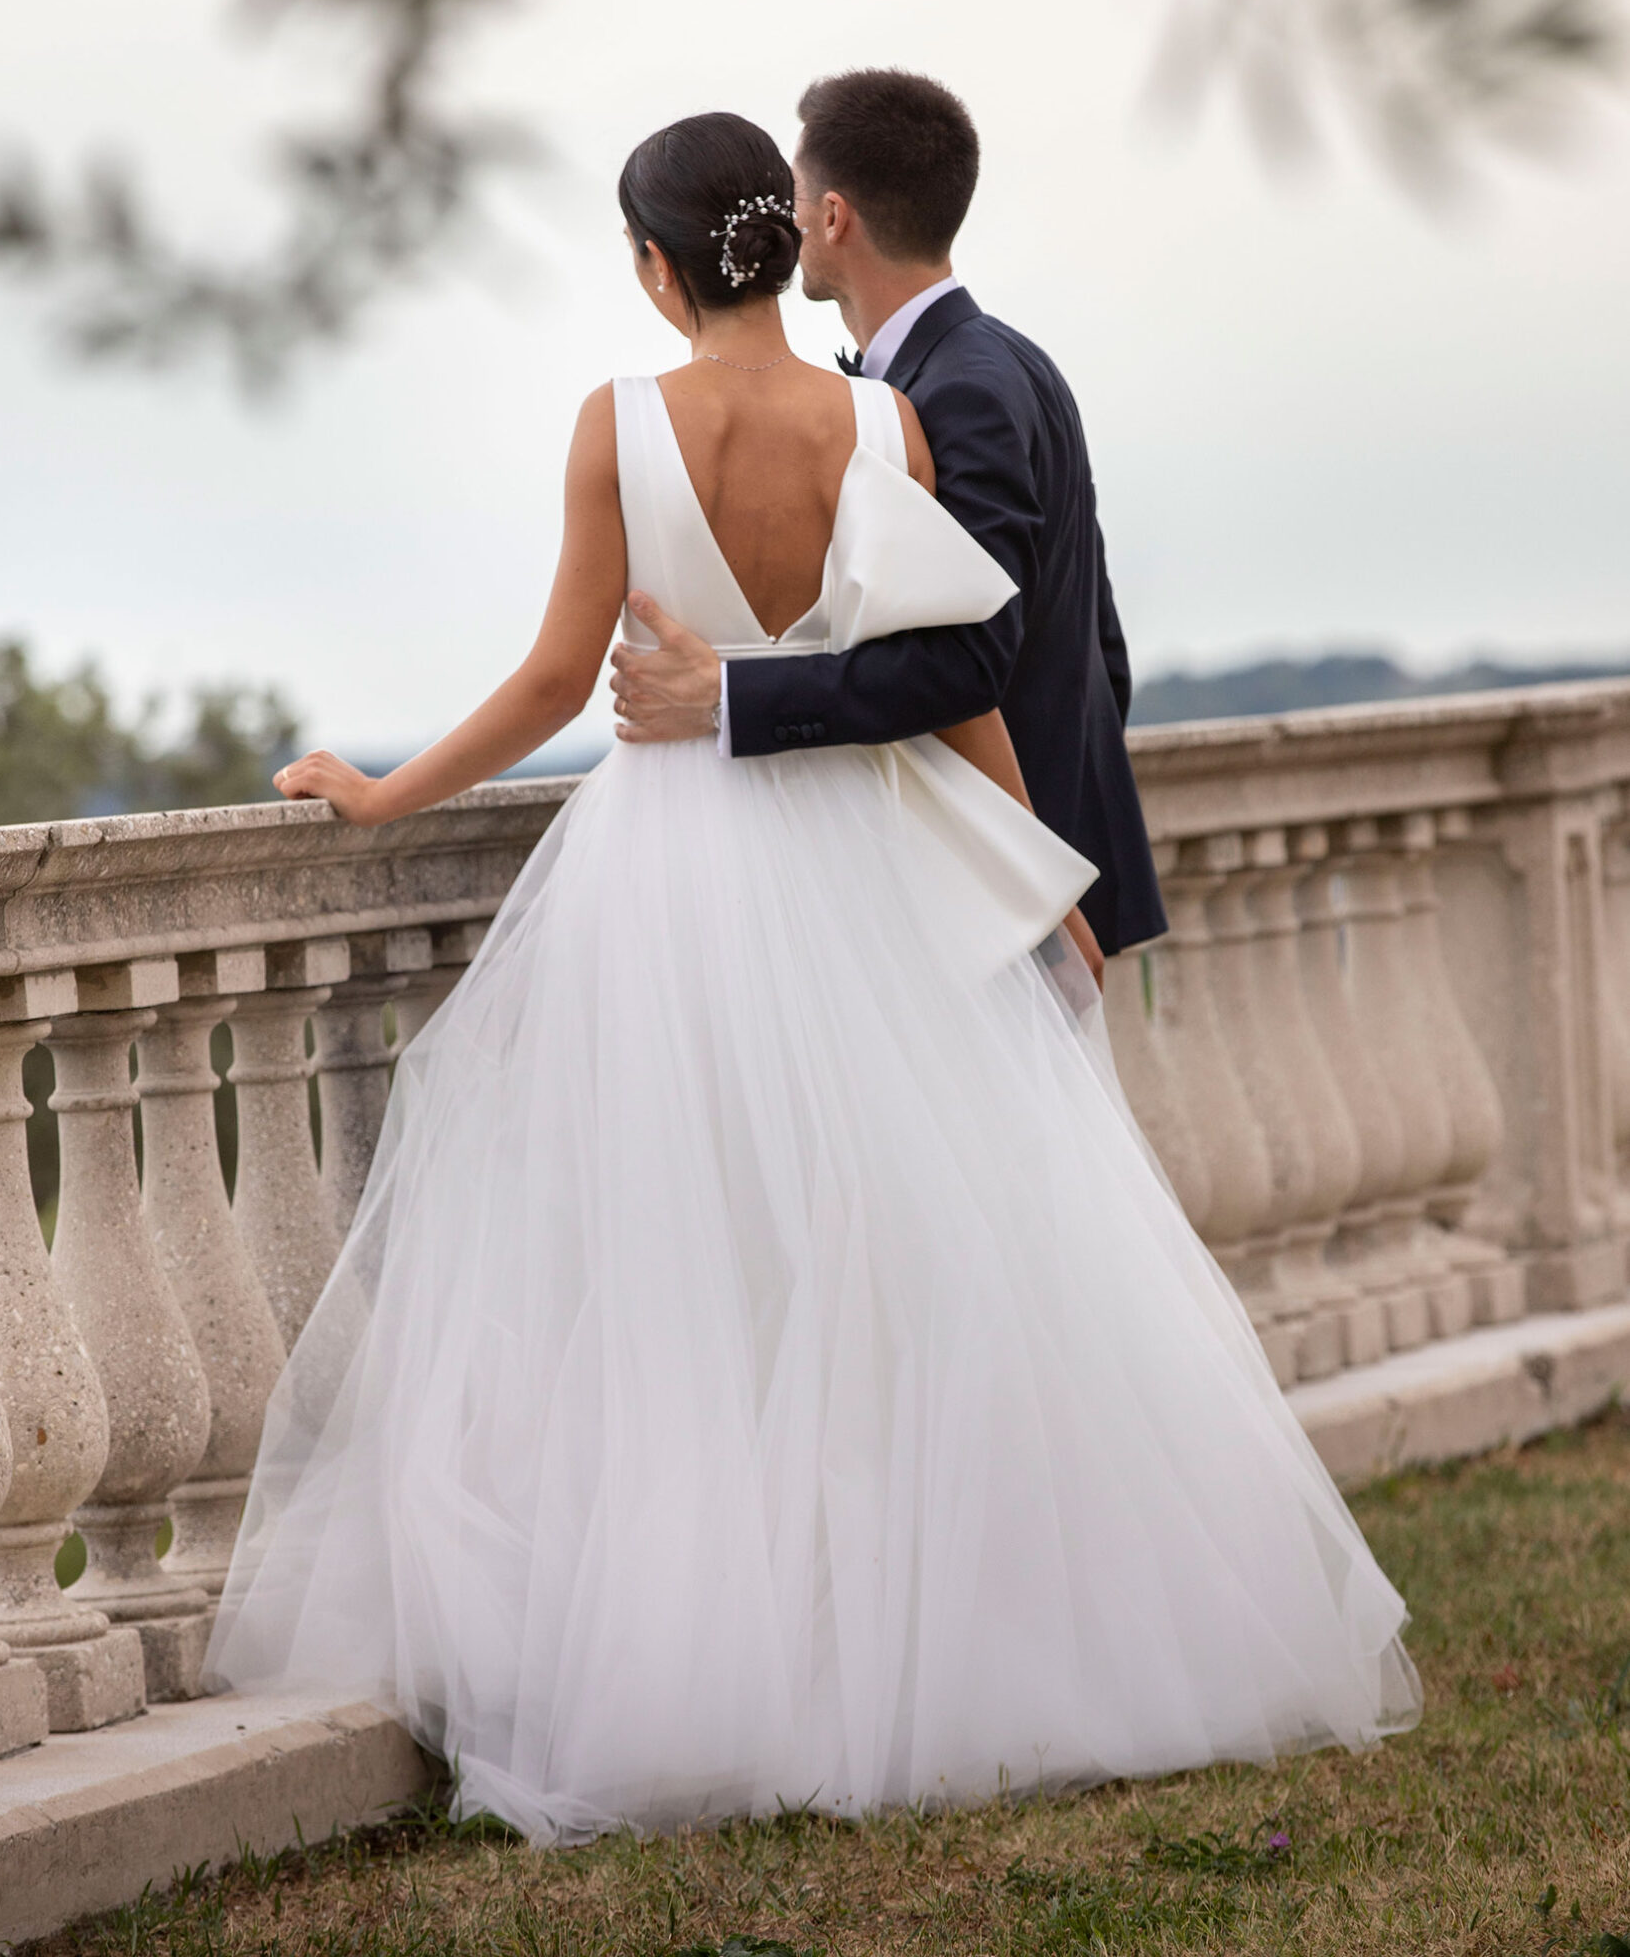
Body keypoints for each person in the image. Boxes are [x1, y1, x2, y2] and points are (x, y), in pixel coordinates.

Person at [203, 109, 1419, 1844]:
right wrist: (1030, 875)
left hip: (676, 865)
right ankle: (922, 1632)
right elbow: (956, 674)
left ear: (651, 265)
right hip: (862, 855)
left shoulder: (615, 424)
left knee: (685, 1264)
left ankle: (726, 1652)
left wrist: (384, 787)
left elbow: (561, 681)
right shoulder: (882, 416)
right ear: (781, 242)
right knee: (899, 1249)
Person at [610, 68, 1167, 964]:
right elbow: (1099, 644)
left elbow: (969, 660)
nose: (779, 227)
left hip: (996, 885)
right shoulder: (1007, 362)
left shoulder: (959, 394)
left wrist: (727, 693)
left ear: (831, 218)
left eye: (791, 201)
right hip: (1023, 862)